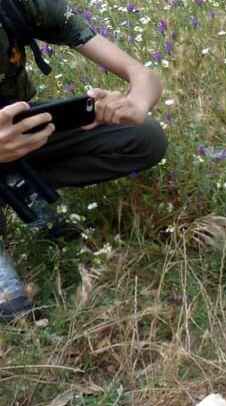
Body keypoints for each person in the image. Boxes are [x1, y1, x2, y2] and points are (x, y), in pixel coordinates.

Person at [0, 0, 166, 320]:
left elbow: (143, 75)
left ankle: (15, 181)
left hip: (18, 133)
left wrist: (134, 104)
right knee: (12, 307)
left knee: (144, 137)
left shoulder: (18, 4)